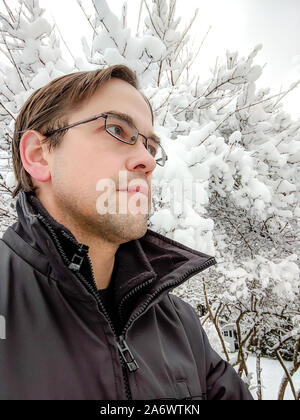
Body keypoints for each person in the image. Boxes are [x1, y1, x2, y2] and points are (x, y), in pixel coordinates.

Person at [0, 65, 253, 400]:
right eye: (117, 129)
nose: (146, 161)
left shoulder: (180, 324)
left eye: (150, 146)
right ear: (38, 155)